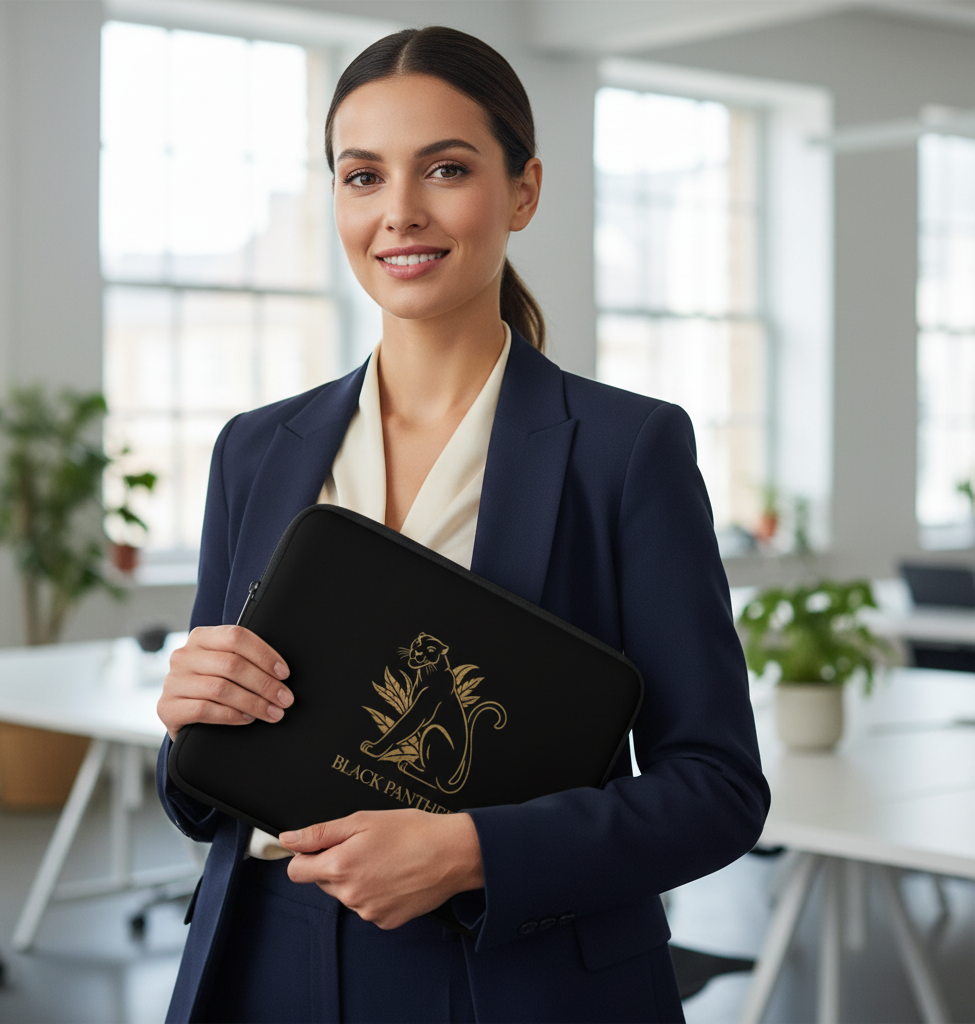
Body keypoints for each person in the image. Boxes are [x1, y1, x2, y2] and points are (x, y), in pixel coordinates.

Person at [156, 25, 769, 1024]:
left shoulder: (625, 451)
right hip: (264, 958)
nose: (399, 212)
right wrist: (190, 715)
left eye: (445, 168)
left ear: (523, 191)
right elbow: (201, 781)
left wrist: (472, 850)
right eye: (362, 176)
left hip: (511, 976)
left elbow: (715, 789)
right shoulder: (255, 448)